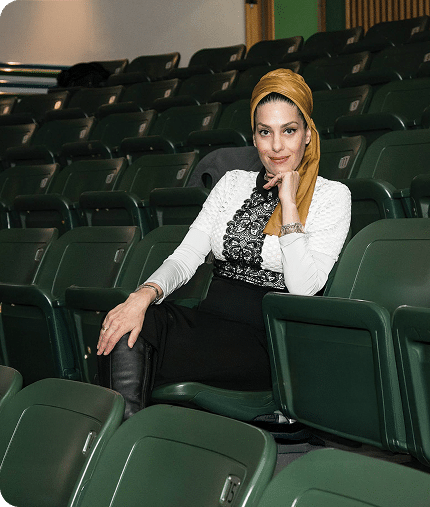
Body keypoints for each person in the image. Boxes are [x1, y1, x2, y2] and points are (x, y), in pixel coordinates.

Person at [96, 68, 351, 419]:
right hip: (211, 323)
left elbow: (304, 290)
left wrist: (290, 203)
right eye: (265, 132)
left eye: (289, 130)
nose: (276, 146)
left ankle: (124, 438)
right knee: (124, 323)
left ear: (308, 134)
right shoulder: (232, 183)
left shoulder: (332, 196)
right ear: (254, 137)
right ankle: (128, 436)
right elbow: (186, 256)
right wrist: (143, 295)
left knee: (142, 348)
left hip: (268, 342)